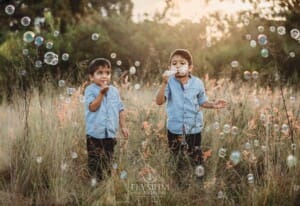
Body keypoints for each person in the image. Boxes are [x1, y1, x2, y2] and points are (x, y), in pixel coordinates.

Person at [155, 49, 226, 182]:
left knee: (196, 158)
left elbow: (202, 101)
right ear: (169, 68)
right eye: (174, 63)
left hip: (194, 129)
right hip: (174, 129)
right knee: (176, 158)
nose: (178, 65)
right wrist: (164, 82)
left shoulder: (198, 83)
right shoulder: (169, 83)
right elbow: (159, 102)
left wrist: (213, 104)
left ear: (190, 67)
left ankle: (199, 184)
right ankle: (177, 182)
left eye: (182, 63)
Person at [84, 58, 129, 180]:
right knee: (94, 162)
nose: (104, 76)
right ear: (91, 77)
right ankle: (94, 184)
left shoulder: (114, 91)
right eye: (99, 73)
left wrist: (123, 126)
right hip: (94, 135)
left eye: (107, 73)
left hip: (110, 134)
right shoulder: (90, 90)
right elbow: (92, 107)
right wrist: (101, 93)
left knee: (108, 161)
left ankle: (105, 184)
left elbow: (121, 109)